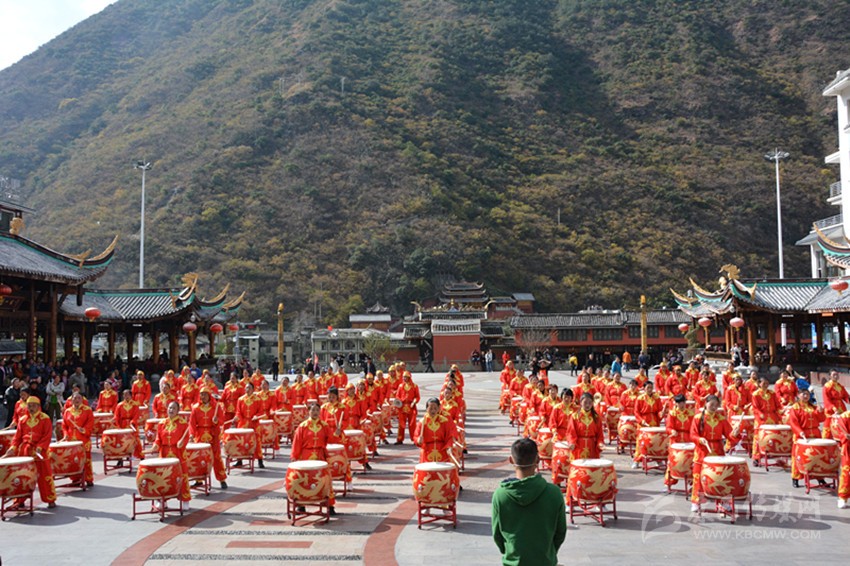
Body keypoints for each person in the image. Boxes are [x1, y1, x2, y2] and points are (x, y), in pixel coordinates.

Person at [491, 438, 566, 566]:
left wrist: (511, 552)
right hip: (545, 561)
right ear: (538, 460)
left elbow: (497, 534)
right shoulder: (554, 493)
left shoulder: (500, 495)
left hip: (513, 562)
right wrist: (548, 552)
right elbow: (560, 532)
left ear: (511, 460)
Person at [4, 395, 58, 509]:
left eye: (33, 406)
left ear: (38, 406)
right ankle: (19, 500)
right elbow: (17, 437)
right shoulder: (23, 420)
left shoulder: (45, 419)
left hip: (40, 452)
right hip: (25, 451)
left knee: (44, 476)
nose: (31, 408)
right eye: (29, 406)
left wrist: (41, 447)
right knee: (22, 476)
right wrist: (13, 448)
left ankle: (50, 499)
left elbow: (47, 435)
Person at [690, 395, 740, 512]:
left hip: (718, 451)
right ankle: (696, 501)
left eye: (716, 405)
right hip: (702, 451)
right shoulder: (698, 418)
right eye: (711, 404)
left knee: (721, 478)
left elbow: (729, 434)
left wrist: (735, 433)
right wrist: (699, 439)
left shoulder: (721, 419)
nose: (713, 407)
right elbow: (692, 434)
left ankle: (724, 501)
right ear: (705, 404)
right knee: (698, 477)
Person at [146, 401, 192, 510]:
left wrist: (182, 443)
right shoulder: (162, 423)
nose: (171, 410)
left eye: (174, 408)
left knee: (182, 476)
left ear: (178, 410)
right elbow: (158, 439)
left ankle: (185, 500)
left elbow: (186, 438)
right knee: (164, 477)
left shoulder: (183, 423)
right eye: (170, 408)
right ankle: (163, 500)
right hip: (165, 453)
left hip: (178, 453)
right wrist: (155, 446)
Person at [189, 388, 228, 489]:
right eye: (201, 394)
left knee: (217, 457)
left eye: (205, 394)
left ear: (209, 396)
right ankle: (199, 479)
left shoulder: (216, 407)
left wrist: (216, 420)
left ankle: (222, 479)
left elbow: (222, 420)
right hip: (200, 434)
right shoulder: (195, 408)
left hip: (213, 434)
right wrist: (192, 434)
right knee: (199, 458)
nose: (203, 397)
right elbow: (192, 423)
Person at [61, 392, 95, 487]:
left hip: (83, 438)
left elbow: (90, 423)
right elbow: (64, 425)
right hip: (71, 439)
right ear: (71, 400)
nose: (76, 400)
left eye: (79, 398)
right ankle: (75, 478)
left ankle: (88, 478)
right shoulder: (67, 411)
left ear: (82, 399)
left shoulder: (87, 410)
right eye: (75, 398)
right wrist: (65, 434)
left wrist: (84, 430)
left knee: (86, 459)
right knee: (72, 460)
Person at [413, 397, 458, 463]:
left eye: (435, 408)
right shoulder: (422, 422)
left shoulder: (444, 421)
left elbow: (450, 436)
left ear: (439, 408)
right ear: (427, 409)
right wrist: (418, 440)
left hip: (442, 451)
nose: (433, 411)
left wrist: (449, 446)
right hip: (427, 452)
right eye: (430, 408)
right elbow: (416, 436)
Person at [394, 371, 420, 444]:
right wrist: (398, 402)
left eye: (406, 377)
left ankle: (414, 439)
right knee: (401, 423)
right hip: (402, 407)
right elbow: (397, 396)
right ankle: (400, 439)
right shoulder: (400, 386)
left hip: (411, 406)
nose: (404, 378)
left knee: (412, 424)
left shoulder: (414, 386)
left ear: (409, 378)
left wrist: (414, 402)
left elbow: (417, 396)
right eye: (403, 377)